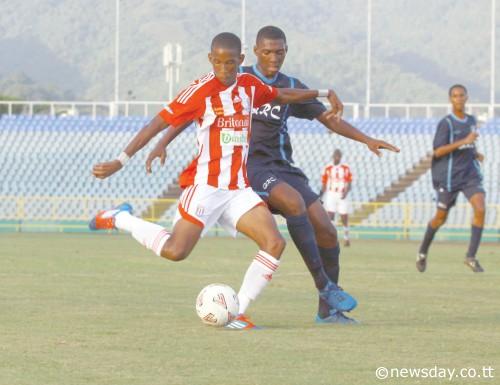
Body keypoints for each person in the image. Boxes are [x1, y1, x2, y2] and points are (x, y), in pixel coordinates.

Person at [89, 32, 357, 330]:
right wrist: (120, 160)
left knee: (274, 242)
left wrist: (322, 92)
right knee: (176, 252)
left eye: (230, 63)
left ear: (241, 61)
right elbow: (158, 122)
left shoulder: (250, 85)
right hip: (206, 188)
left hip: (238, 190)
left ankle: (236, 311)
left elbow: (281, 95)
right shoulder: (199, 90)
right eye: (217, 62)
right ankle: (121, 218)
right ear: (210, 59)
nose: (224, 69)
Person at [148, 26, 398, 324]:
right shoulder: (237, 77)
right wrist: (162, 141)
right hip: (248, 168)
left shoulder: (290, 85)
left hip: (282, 167)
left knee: (326, 229)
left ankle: (328, 309)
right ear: (253, 52)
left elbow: (328, 119)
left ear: (286, 51)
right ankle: (324, 285)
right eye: (267, 51)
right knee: (293, 203)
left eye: (279, 51)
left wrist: (366, 139)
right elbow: (193, 110)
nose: (273, 57)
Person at [417, 84, 486, 273]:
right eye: (455, 96)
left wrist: (475, 153)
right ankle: (422, 252)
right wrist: (464, 142)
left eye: (462, 95)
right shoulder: (446, 123)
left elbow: (468, 145)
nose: (459, 99)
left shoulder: (471, 120)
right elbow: (438, 151)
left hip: (469, 175)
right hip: (448, 178)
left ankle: (471, 257)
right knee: (440, 218)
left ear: (467, 97)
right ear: (450, 99)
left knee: (480, 207)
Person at [321, 149, 353, 247]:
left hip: (342, 194)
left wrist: (346, 193)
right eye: (335, 155)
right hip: (331, 194)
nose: (337, 157)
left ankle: (346, 238)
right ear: (333, 156)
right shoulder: (328, 168)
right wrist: (321, 196)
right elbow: (324, 183)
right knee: (330, 216)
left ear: (341, 157)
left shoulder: (346, 168)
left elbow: (349, 183)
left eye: (338, 156)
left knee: (344, 217)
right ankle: (333, 238)